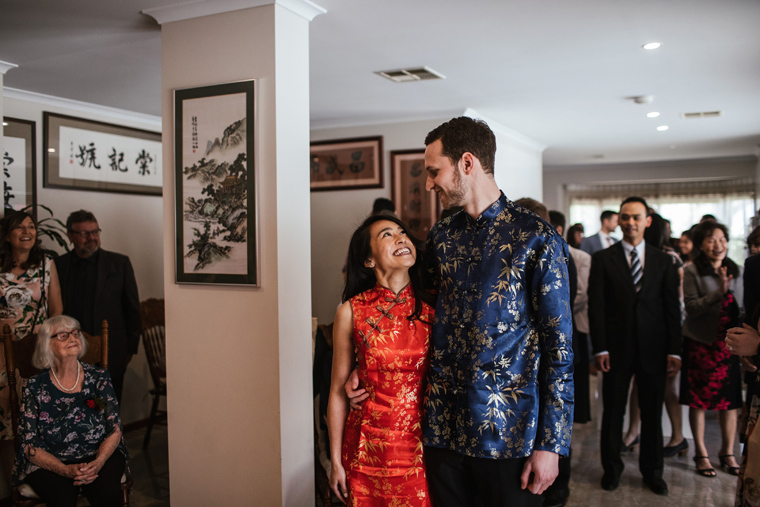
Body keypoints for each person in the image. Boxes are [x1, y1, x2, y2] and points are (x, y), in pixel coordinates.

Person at [420, 117, 573, 507]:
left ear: (466, 163)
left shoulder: (537, 237)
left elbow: (560, 348)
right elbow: (417, 316)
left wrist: (551, 445)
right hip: (442, 431)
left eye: (434, 171)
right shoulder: (440, 237)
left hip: (509, 437)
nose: (428, 183)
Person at [327, 214, 434, 505]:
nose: (402, 238)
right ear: (368, 260)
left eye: (403, 232)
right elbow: (337, 392)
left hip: (423, 447)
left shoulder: (435, 306)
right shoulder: (351, 312)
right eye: (387, 235)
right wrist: (334, 461)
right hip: (366, 448)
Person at [588, 196, 681, 496]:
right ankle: (611, 469)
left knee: (652, 413)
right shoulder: (603, 259)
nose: (630, 222)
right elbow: (597, 307)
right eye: (625, 217)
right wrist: (599, 348)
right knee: (613, 412)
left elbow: (671, 308)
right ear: (619, 219)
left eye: (636, 217)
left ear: (647, 220)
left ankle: (653, 472)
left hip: (654, 349)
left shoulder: (664, 260)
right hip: (615, 350)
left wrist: (674, 349)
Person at [13, 315, 127, 507]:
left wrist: (98, 462)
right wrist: (64, 470)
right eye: (63, 335)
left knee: (106, 493)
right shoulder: (34, 386)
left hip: (98, 453)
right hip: (50, 459)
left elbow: (115, 429)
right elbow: (28, 443)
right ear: (46, 345)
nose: (73, 338)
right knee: (62, 499)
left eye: (75, 333)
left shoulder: (99, 377)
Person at [0, 210, 63, 488]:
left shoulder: (46, 264)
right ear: (6, 235)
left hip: (39, 355)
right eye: (19, 227)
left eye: (31, 226)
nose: (27, 231)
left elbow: (57, 309)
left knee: (41, 417)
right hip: (2, 355)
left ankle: (44, 481)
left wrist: (45, 338)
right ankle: (14, 484)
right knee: (6, 423)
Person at [54, 210, 141, 402]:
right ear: (70, 236)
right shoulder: (59, 265)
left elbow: (132, 308)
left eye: (95, 232)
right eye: (84, 234)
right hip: (71, 353)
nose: (92, 238)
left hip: (111, 352)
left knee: (110, 409)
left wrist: (131, 348)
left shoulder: (120, 263)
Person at [680, 221, 743, 478]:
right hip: (701, 345)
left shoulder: (736, 269)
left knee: (730, 402)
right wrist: (718, 292)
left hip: (729, 345)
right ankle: (701, 452)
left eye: (721, 239)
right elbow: (692, 308)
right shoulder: (692, 270)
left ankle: (727, 452)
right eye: (710, 240)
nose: (718, 245)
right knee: (699, 401)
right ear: (701, 245)